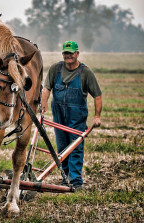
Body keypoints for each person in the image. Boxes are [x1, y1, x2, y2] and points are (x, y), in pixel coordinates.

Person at [41, 40, 102, 190]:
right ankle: (65, 176)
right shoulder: (56, 68)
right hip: (58, 112)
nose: (68, 56)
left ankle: (75, 180)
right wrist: (43, 104)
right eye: (65, 53)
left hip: (76, 114)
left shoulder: (85, 72)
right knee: (62, 146)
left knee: (75, 146)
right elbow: (46, 88)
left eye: (71, 53)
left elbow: (98, 95)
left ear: (77, 54)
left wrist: (97, 116)